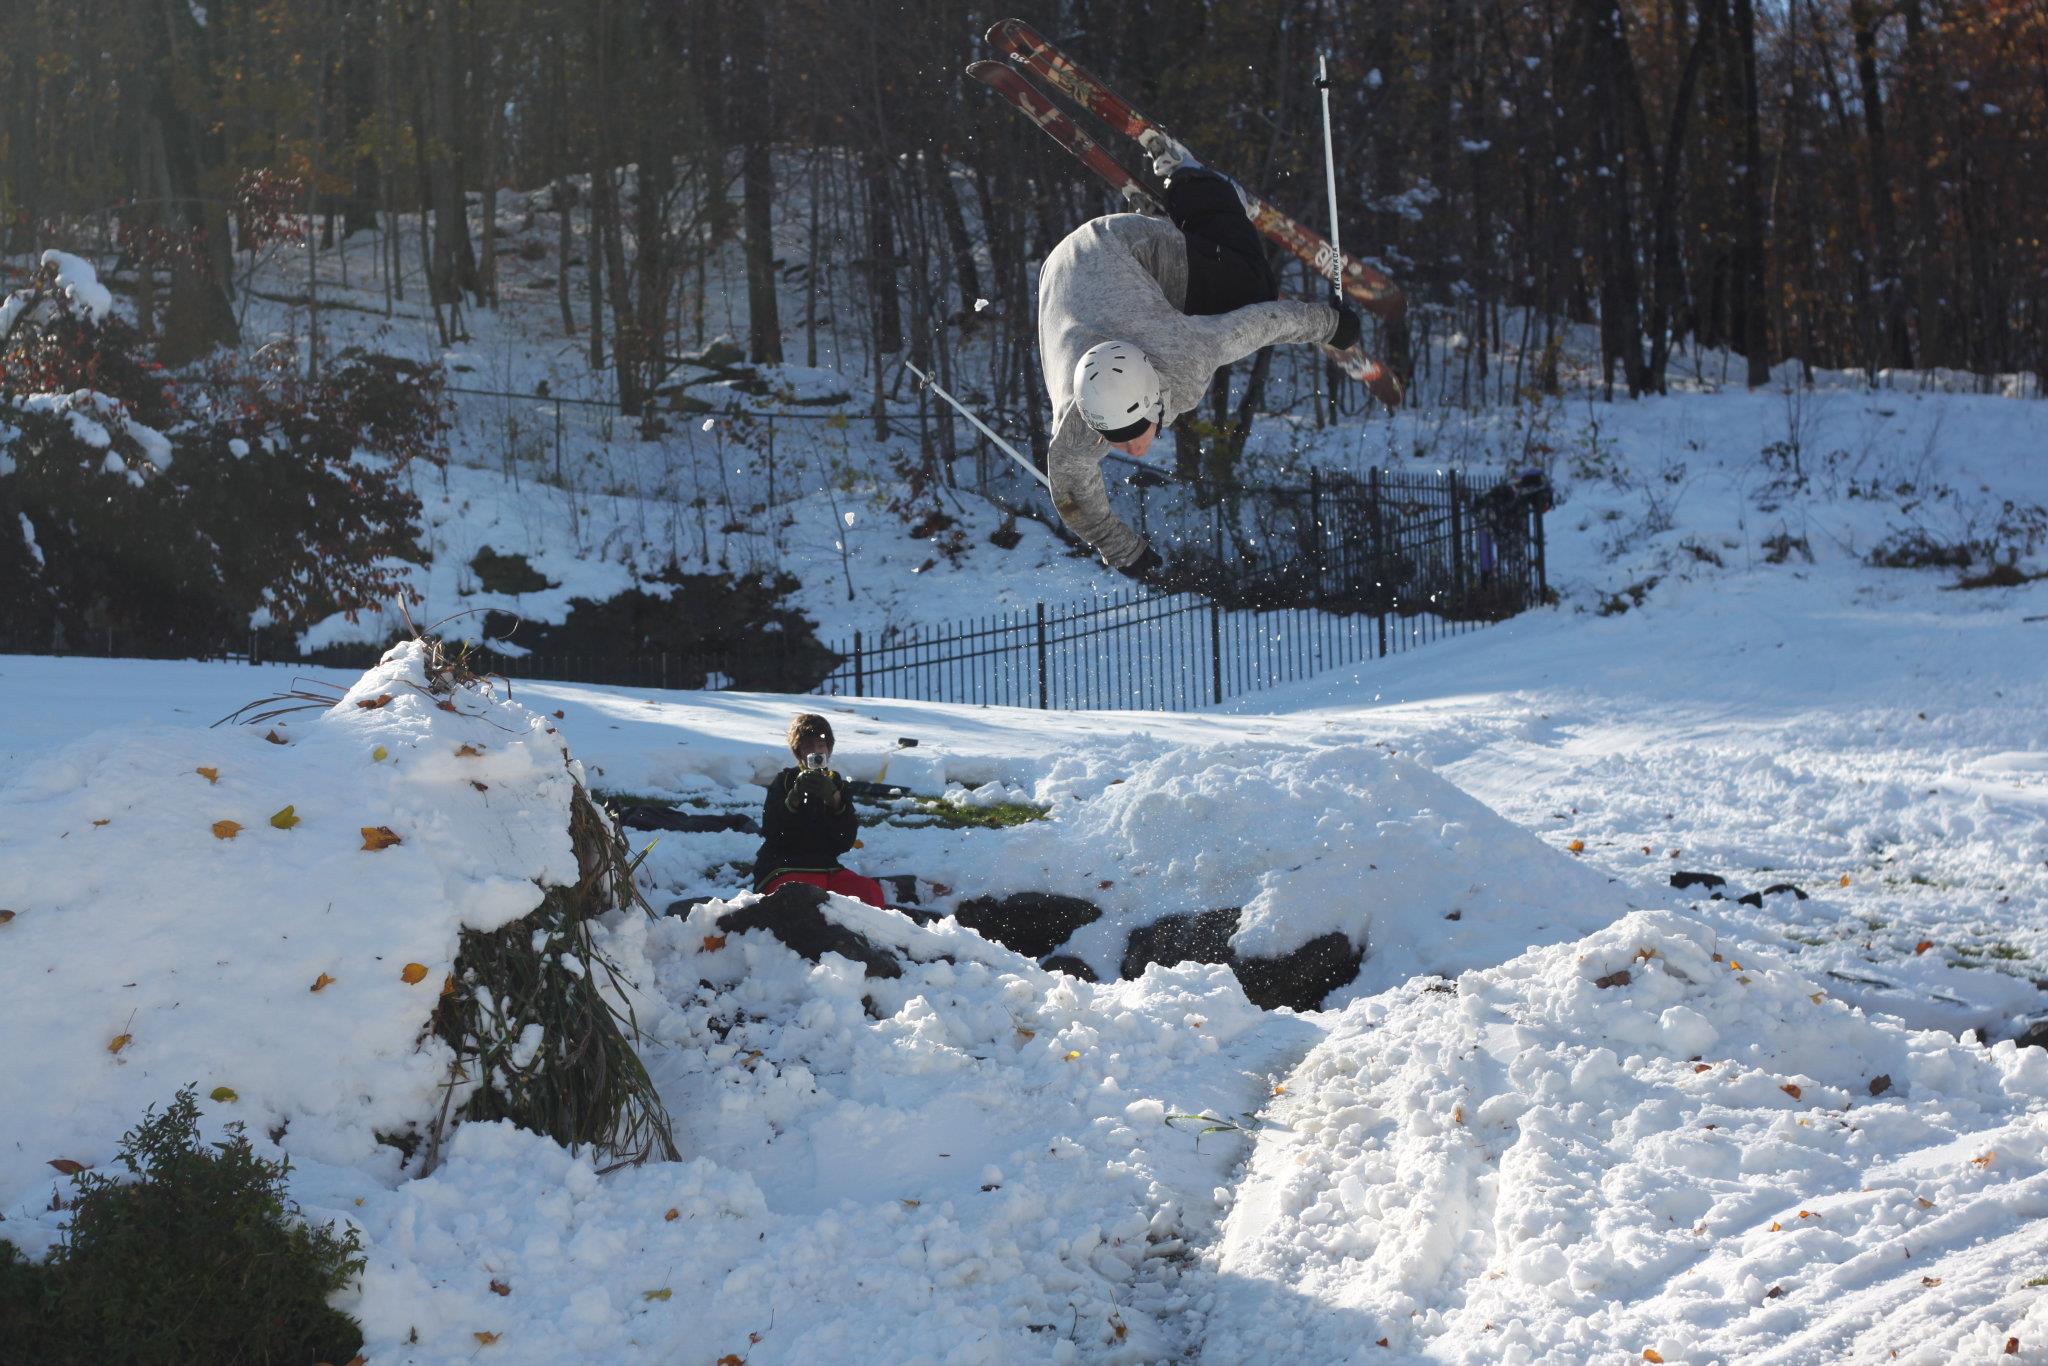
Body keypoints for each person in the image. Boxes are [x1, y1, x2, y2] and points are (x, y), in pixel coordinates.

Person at [1037, 135, 1362, 584]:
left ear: (1153, 396)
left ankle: (1192, 181)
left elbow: (1261, 323)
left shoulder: (1184, 353)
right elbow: (1071, 491)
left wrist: (1329, 324)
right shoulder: (1077, 420)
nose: (1130, 450)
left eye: (1135, 433)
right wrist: (1122, 549)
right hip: (1060, 272)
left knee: (1252, 287)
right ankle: (1171, 224)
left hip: (1122, 247)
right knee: (1202, 294)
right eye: (1115, 437)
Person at [751, 712, 888, 909]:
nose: (816, 752)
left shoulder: (837, 784)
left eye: (821, 745)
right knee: (800, 899)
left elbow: (844, 841)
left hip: (826, 870)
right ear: (798, 752)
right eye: (808, 746)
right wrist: (793, 800)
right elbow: (773, 833)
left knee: (868, 893)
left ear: (829, 749)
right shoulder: (785, 781)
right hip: (785, 868)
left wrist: (836, 802)